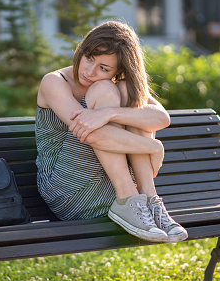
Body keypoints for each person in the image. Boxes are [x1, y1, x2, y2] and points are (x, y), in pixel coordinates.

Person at [35, 21, 187, 243]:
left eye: (103, 68)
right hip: (68, 192)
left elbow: (161, 118)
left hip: (112, 191)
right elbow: (91, 134)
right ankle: (128, 198)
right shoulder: (55, 82)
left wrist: (110, 114)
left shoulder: (119, 85)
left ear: (120, 69)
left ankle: (150, 200)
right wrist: (154, 146)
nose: (89, 71)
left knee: (129, 92)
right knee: (105, 90)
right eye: (88, 58)